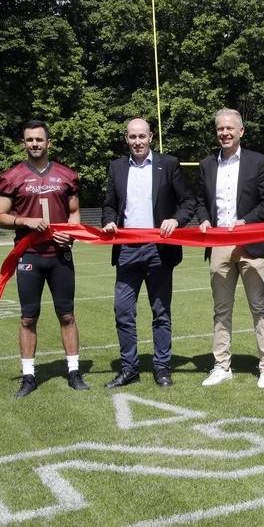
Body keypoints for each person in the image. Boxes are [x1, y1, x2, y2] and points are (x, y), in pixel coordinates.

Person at [0, 120, 89, 398]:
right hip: (30, 256)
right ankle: (29, 376)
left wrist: (70, 234)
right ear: (24, 143)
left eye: (39, 139)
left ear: (48, 142)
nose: (34, 144)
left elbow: (74, 211)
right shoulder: (12, 176)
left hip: (59, 255)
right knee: (27, 318)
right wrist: (24, 220)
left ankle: (73, 371)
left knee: (67, 315)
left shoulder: (66, 175)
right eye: (29, 140)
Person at [101, 118, 195, 388]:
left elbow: (188, 201)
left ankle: (162, 368)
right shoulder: (117, 167)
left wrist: (176, 219)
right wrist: (109, 221)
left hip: (159, 250)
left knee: (161, 313)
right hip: (127, 251)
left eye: (142, 136)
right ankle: (129, 369)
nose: (138, 141)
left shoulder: (169, 164)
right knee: (123, 312)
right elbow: (109, 204)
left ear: (151, 136)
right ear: (126, 138)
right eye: (132, 137)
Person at [193, 108, 264, 388]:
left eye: (230, 128)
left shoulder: (258, 161)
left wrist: (246, 221)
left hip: (250, 242)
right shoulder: (206, 164)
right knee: (221, 309)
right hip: (218, 244)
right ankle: (221, 365)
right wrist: (204, 219)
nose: (225, 133)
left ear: (241, 131)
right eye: (220, 129)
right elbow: (201, 201)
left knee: (259, 307)